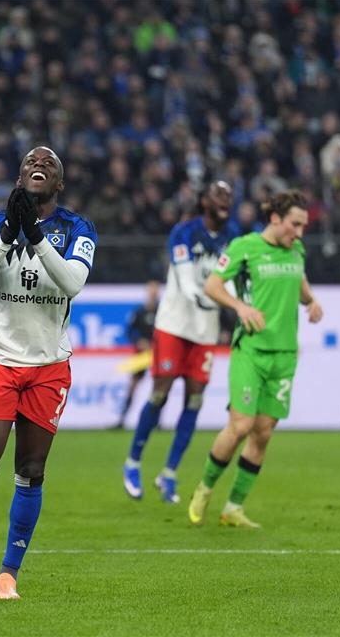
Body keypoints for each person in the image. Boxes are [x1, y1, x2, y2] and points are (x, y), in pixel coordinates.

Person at [0, 146, 97, 601]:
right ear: (19, 177)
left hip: (49, 366)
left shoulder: (78, 229)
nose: (39, 165)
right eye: (31, 162)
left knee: (30, 469)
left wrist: (36, 235)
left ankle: (8, 572)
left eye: (48, 164)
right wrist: (10, 233)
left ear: (59, 183)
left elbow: (72, 283)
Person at [186, 189, 323, 528]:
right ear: (275, 219)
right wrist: (240, 307)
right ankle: (205, 488)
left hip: (285, 355)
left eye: (304, 226)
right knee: (241, 426)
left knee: (262, 434)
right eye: (295, 224)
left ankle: (233, 508)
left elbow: (300, 282)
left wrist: (311, 302)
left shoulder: (297, 250)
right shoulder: (244, 247)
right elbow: (213, 286)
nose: (299, 233)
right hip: (251, 350)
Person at [122, 182, 237, 503]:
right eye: (218, 195)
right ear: (204, 201)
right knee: (160, 391)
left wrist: (241, 304)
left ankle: (169, 474)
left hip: (206, 331)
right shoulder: (184, 232)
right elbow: (187, 283)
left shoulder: (233, 237)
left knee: (195, 400)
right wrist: (219, 300)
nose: (225, 201)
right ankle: (133, 462)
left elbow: (234, 281)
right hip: (174, 324)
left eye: (229, 196)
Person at [111, 280, 160, 430]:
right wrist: (139, 341)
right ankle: (122, 420)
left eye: (155, 290)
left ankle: (156, 422)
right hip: (142, 354)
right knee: (133, 386)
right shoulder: (139, 312)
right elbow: (129, 331)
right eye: (151, 290)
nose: (153, 293)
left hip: (158, 354)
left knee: (159, 388)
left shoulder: (162, 312)